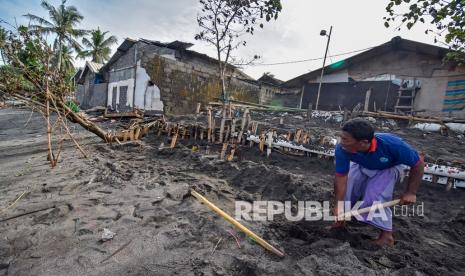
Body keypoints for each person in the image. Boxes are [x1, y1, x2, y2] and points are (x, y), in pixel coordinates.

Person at [333, 118, 424, 246]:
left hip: (389, 167)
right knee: (348, 187)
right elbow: (341, 177)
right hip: (361, 164)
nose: (341, 142)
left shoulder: (393, 145)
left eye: (346, 139)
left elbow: (418, 164)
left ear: (363, 143)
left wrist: (411, 192)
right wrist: (338, 205)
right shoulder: (342, 149)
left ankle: (386, 236)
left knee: (375, 196)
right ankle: (340, 222)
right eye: (341, 137)